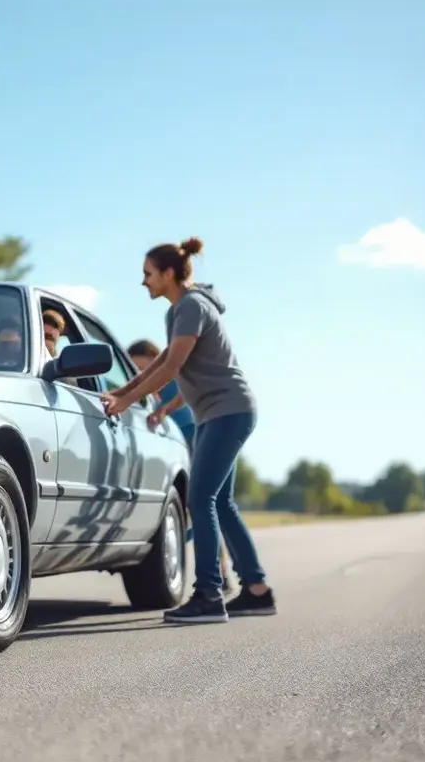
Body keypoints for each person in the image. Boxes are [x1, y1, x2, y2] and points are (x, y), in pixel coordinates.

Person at [99, 237, 275, 624]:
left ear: (167, 274)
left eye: (148, 274)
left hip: (228, 412)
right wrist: (124, 390)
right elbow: (166, 360)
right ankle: (258, 589)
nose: (143, 282)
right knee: (222, 504)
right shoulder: (178, 311)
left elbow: (172, 367)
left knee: (200, 499)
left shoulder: (192, 306)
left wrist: (127, 402)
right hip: (220, 412)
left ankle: (210, 594)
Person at [128, 338, 237, 598]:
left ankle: (220, 573)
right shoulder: (141, 386)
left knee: (203, 505)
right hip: (160, 449)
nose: (143, 374)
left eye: (147, 368)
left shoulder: (176, 383)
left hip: (192, 439)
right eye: (137, 370)